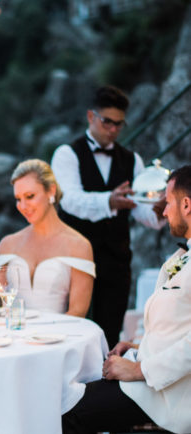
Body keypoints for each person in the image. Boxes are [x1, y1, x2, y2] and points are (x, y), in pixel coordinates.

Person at [55, 166, 191, 434]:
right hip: (156, 374)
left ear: (186, 204)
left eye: (167, 202)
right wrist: (137, 347)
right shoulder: (180, 257)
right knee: (78, 387)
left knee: (73, 412)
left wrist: (140, 370)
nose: (162, 211)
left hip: (174, 390)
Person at [51, 85, 164, 348]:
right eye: (107, 122)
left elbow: (139, 208)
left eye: (119, 124)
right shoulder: (66, 154)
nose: (113, 129)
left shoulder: (131, 160)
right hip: (75, 260)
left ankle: (104, 387)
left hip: (117, 261)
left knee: (108, 337)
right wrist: (108, 201)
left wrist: (160, 210)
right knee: (71, 333)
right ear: (91, 117)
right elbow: (70, 200)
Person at [0, 158, 95, 318]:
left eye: (30, 196)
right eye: (18, 199)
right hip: (12, 336)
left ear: (51, 191)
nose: (23, 206)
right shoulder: (7, 244)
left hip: (58, 336)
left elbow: (78, 311)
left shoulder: (79, 246)